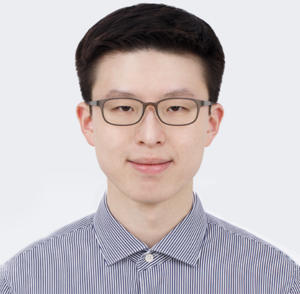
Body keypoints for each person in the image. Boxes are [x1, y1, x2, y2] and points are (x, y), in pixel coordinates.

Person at [0, 3, 299, 293]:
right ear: (88, 122)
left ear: (211, 123)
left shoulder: (276, 280)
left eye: (177, 108)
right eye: (124, 107)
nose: (150, 135)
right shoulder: (24, 281)